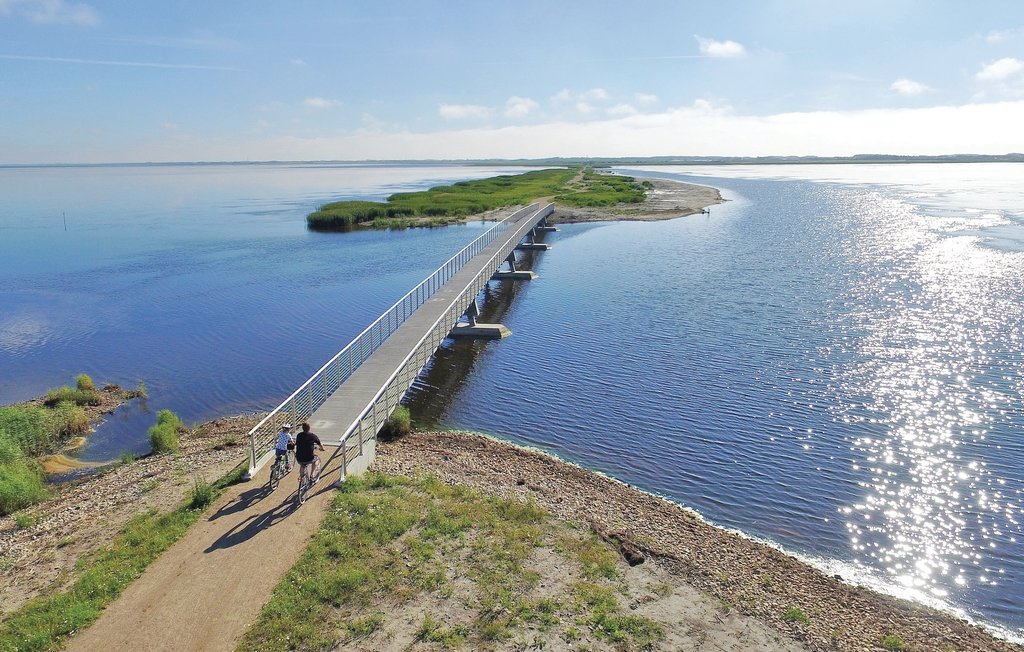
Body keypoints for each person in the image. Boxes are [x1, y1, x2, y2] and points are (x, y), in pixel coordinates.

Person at [294, 421, 325, 487]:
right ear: (309, 428)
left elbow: (297, 443)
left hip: (299, 457)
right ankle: (312, 476)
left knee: (302, 465)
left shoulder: (299, 435)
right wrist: (322, 449)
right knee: (316, 460)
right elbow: (320, 444)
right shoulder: (313, 436)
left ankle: (301, 477)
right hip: (309, 458)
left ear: (302, 428)